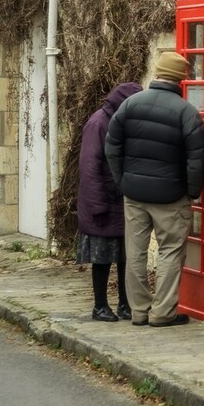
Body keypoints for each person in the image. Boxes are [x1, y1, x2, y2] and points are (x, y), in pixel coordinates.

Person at [104, 51, 204, 327]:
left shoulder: (130, 105)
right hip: (170, 195)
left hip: (135, 194)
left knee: (135, 252)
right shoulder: (187, 112)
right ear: (181, 79)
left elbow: (112, 146)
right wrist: (191, 191)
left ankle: (139, 311)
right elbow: (198, 157)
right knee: (170, 250)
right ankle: (163, 313)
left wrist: (122, 180)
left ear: (157, 72)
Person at [76, 82, 142, 322]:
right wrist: (97, 205)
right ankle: (100, 306)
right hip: (102, 200)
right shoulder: (98, 123)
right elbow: (89, 166)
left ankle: (126, 304)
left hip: (122, 198)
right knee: (101, 257)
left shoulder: (123, 121)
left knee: (127, 256)